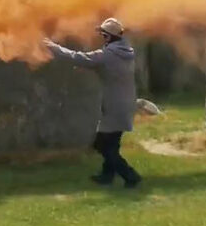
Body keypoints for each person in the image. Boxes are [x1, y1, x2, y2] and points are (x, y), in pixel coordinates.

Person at [43, 18, 141, 188]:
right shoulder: (126, 51)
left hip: (114, 106)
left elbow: (77, 57)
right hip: (124, 103)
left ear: (108, 36)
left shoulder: (108, 54)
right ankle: (107, 175)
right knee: (112, 144)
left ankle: (130, 175)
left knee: (102, 145)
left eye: (103, 34)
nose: (101, 37)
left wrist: (53, 47)